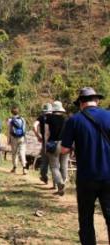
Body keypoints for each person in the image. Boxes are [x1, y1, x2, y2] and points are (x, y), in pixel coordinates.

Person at [61, 87, 110, 245]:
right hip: (109, 176)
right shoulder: (109, 116)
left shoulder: (74, 120)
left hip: (86, 178)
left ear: (81, 103)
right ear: (96, 100)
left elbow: (64, 149)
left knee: (86, 219)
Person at [45, 101, 69, 196]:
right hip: (65, 144)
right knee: (64, 166)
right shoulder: (66, 119)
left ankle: (60, 183)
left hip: (53, 144)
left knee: (54, 166)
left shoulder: (49, 118)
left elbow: (47, 133)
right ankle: (62, 185)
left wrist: (45, 145)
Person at [33, 103, 55, 187]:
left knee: (45, 161)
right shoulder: (55, 117)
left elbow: (34, 126)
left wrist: (38, 136)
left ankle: (44, 177)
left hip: (45, 142)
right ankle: (55, 183)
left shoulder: (41, 117)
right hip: (54, 141)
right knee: (54, 162)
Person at [8, 107, 27, 175]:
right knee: (22, 153)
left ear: (12, 112)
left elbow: (9, 131)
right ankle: (24, 168)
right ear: (18, 112)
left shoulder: (11, 120)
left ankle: (15, 167)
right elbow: (24, 129)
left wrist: (9, 140)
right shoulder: (22, 119)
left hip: (14, 138)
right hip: (22, 137)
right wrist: (25, 137)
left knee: (14, 153)